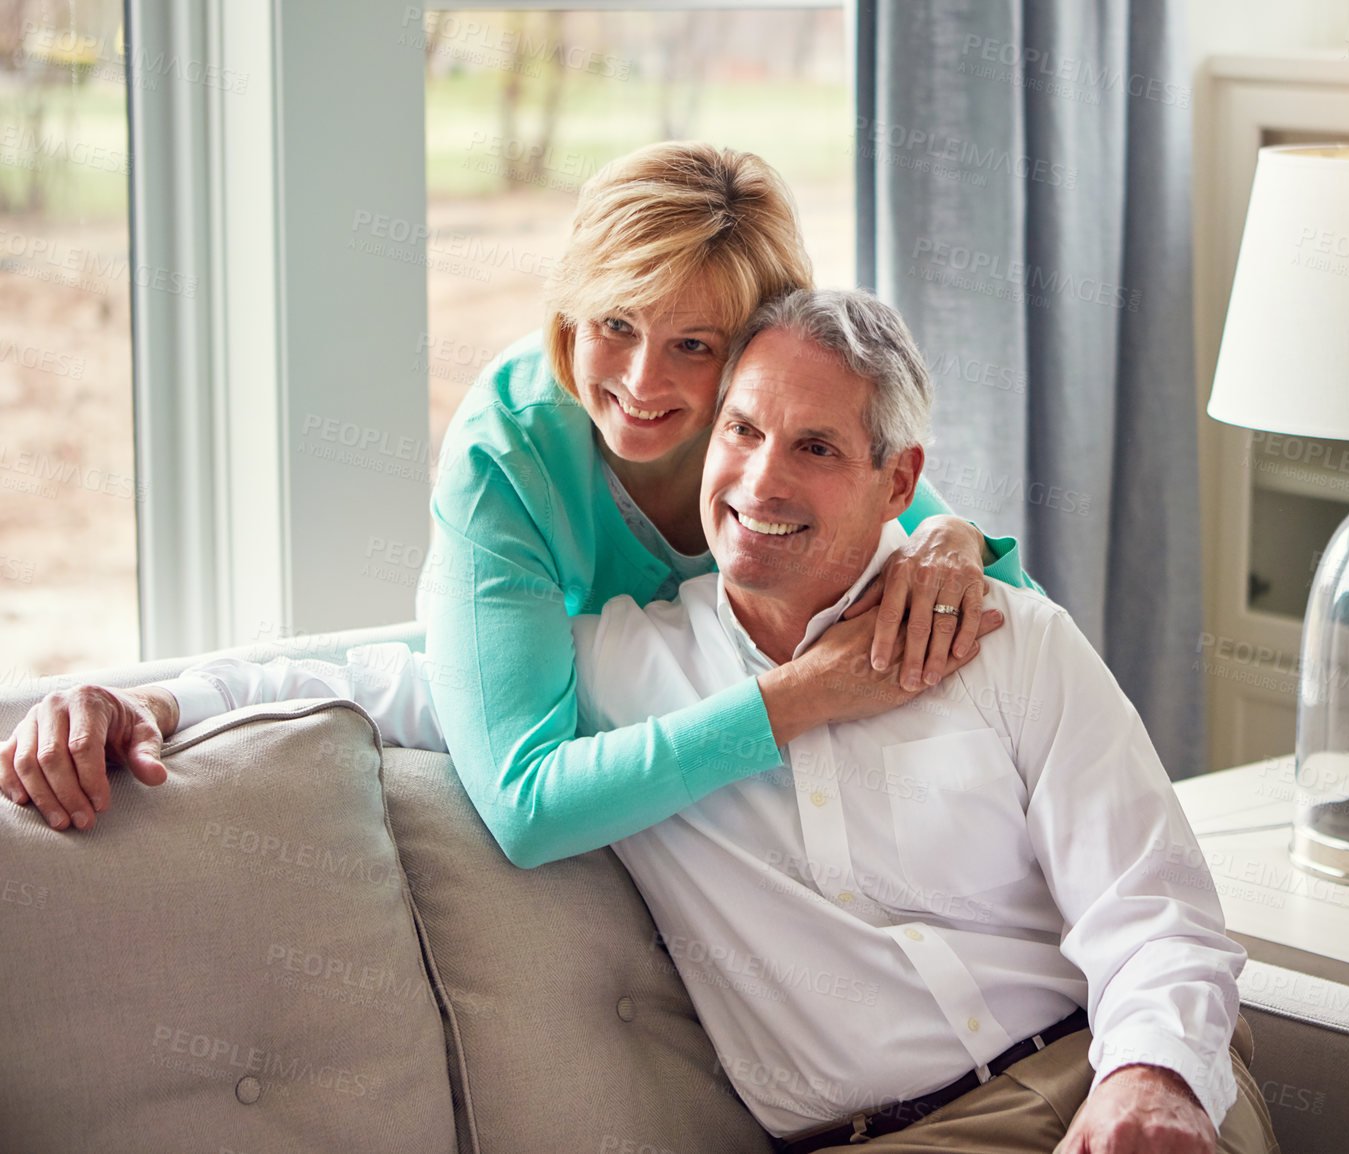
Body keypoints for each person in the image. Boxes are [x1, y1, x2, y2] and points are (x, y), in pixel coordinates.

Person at [21, 291, 1277, 1154]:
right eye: (740, 431)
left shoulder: (1000, 635)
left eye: (817, 448)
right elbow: (375, 675)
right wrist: (136, 697)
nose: (760, 481)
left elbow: (1152, 903)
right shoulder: (620, 668)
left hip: (1118, 1088)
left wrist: (1152, 1077)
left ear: (901, 480)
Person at [0, 143, 1039, 853]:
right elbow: (518, 793)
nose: (641, 384)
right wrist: (160, 699)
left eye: (695, 346)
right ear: (569, 311)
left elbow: (1010, 607)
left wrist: (946, 534)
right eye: (615, 325)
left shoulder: (778, 447)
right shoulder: (514, 449)